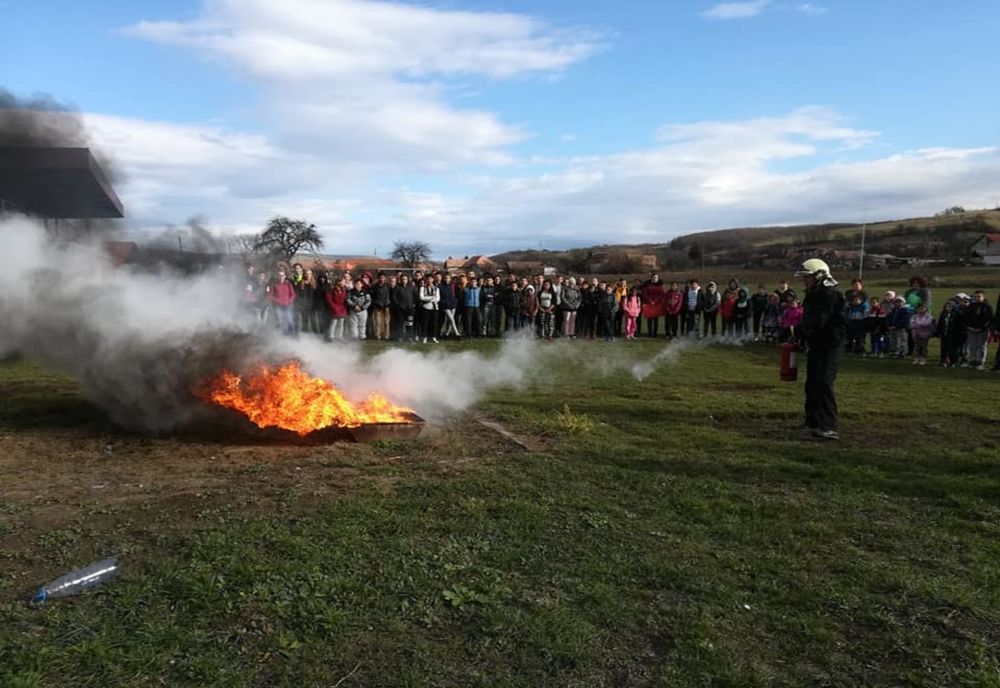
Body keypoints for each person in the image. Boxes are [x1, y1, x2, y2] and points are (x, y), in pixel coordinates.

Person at [796, 258, 847, 441]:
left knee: (824, 382)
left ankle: (829, 426)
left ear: (819, 276)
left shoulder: (830, 294)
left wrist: (802, 330)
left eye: (807, 277)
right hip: (817, 343)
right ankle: (813, 422)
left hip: (831, 344)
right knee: (812, 383)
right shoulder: (813, 294)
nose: (804, 281)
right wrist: (801, 335)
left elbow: (819, 320)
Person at [964, 290, 993, 369]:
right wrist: (969, 326)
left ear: (983, 297)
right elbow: (966, 317)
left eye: (979, 296)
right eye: (975, 297)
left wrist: (981, 327)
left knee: (981, 346)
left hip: (982, 330)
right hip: (971, 329)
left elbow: (988, 319)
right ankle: (972, 361)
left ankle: (980, 362)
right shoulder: (971, 306)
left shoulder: (987, 307)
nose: (976, 298)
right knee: (972, 346)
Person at [269, 267, 297, 336]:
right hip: (279, 306)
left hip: (288, 305)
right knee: (281, 321)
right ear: (277, 276)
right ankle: (284, 336)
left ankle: (294, 335)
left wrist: (290, 301)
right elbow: (270, 295)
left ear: (285, 276)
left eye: (282, 275)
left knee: (290, 320)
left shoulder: (288, 284)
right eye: (280, 275)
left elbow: (293, 294)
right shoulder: (274, 284)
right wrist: (277, 300)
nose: (281, 277)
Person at [370, 272, 393, 341]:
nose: (382, 279)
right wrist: (376, 302)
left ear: (385, 278)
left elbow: (391, 295)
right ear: (378, 278)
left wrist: (388, 303)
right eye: (380, 277)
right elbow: (372, 296)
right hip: (377, 306)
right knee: (377, 322)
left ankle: (386, 336)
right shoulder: (374, 286)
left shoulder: (388, 286)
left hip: (387, 305)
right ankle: (378, 335)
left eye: (383, 277)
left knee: (387, 322)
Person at [417, 276, 440, 343]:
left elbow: (438, 298)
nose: (429, 280)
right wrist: (431, 298)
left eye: (431, 279)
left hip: (434, 308)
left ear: (433, 279)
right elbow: (421, 297)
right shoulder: (422, 288)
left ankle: (433, 337)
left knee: (434, 323)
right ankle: (424, 337)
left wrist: (429, 298)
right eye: (428, 279)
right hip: (426, 307)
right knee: (425, 323)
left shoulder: (436, 288)